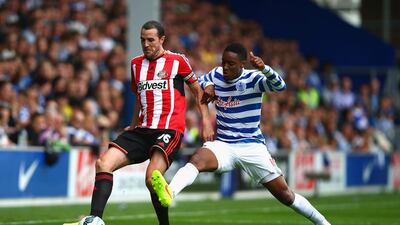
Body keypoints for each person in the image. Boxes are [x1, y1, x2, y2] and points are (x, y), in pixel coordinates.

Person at [151, 43, 331, 225]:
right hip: (224, 145)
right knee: (197, 159)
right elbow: (198, 84)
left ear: (242, 65)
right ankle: (169, 192)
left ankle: (322, 222)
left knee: (285, 195)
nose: (225, 67)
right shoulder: (216, 74)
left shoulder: (253, 78)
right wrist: (209, 85)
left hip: (251, 146)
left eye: (231, 64)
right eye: (223, 62)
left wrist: (265, 69)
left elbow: (280, 86)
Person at [64, 20, 214, 225]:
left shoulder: (178, 61)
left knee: (152, 177)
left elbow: (198, 92)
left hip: (169, 129)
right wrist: (134, 124)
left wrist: (206, 122)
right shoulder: (136, 64)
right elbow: (139, 98)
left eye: (151, 40)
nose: (146, 44)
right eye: (142, 40)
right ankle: (95, 220)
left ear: (162, 39)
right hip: (142, 129)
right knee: (103, 163)